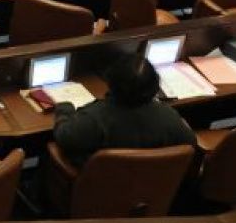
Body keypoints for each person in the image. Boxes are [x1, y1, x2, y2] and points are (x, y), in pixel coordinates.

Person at [52, 53, 196, 166]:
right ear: (154, 86)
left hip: (101, 188)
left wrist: (64, 109)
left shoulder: (95, 118)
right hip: (151, 191)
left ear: (111, 82)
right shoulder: (169, 117)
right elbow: (190, 145)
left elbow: (64, 137)